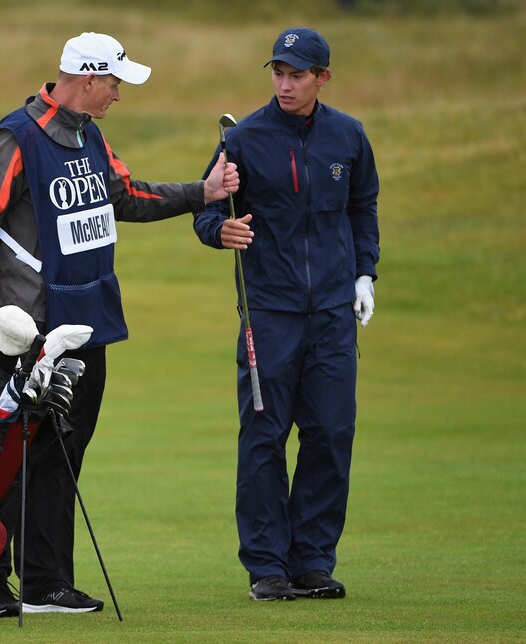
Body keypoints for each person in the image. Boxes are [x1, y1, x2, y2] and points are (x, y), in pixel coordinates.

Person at [0, 31, 239, 616]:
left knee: (63, 453)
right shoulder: (16, 138)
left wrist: (200, 193)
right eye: (113, 83)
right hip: (26, 327)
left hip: (85, 322)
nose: (117, 94)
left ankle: (46, 583)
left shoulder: (89, 137)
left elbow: (125, 195)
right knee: (9, 456)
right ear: (86, 79)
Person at [193, 26, 379, 602]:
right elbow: (206, 210)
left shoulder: (348, 137)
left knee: (329, 432)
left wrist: (364, 273)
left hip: (330, 313)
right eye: (278, 72)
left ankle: (313, 562)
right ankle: (268, 565)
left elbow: (361, 207)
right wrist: (219, 229)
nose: (285, 83)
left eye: (297, 74)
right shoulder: (243, 139)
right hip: (268, 312)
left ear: (322, 77)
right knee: (265, 437)